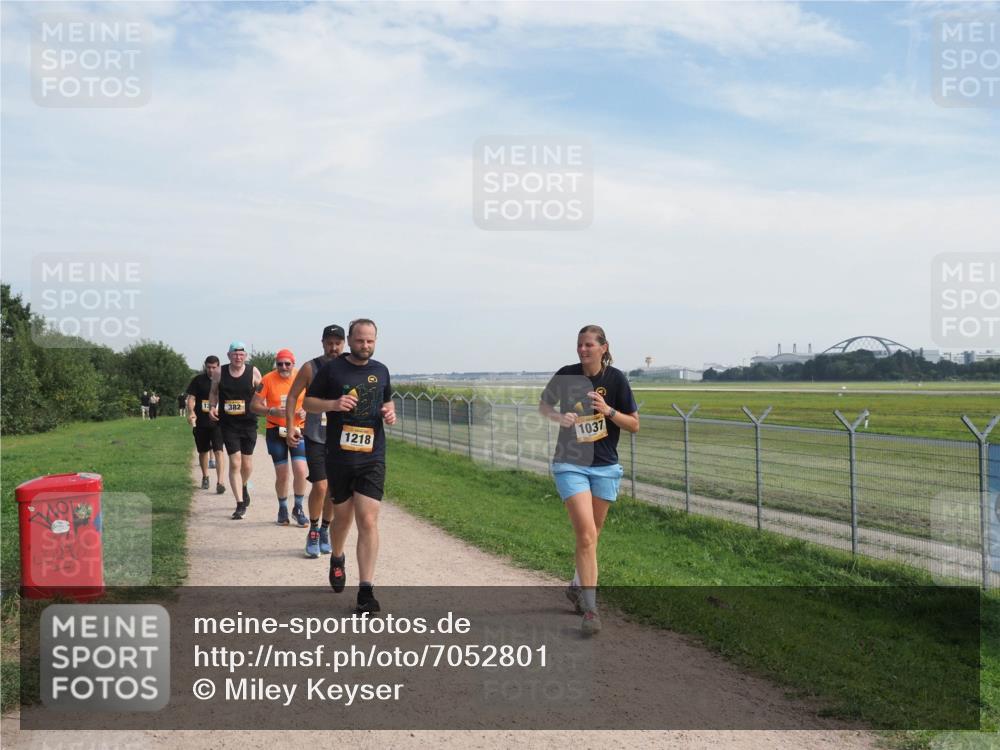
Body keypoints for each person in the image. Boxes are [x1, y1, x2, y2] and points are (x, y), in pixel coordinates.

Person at [538, 325, 639, 635]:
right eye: (579, 345)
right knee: (585, 534)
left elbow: (634, 424)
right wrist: (560, 417)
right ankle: (591, 610)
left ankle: (576, 585)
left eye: (589, 345)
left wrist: (609, 411)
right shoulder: (566, 374)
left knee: (593, 534)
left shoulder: (616, 379)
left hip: (605, 467)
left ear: (603, 348)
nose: (582, 350)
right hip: (571, 464)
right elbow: (544, 406)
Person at [304, 319, 396, 614]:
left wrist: (390, 413)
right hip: (340, 457)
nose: (365, 346)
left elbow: (387, 402)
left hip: (372, 456)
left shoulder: (381, 371)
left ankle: (366, 591)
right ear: (350, 340)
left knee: (367, 520)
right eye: (360, 340)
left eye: (370, 341)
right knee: (342, 518)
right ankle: (337, 557)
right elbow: (308, 403)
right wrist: (332, 404)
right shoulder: (332, 370)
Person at [286, 324, 347, 559]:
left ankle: (324, 530)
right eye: (329, 343)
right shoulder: (310, 367)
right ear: (322, 343)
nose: (334, 348)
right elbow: (293, 396)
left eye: (338, 343)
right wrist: (291, 426)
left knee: (333, 489)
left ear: (344, 344)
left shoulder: (350, 367)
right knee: (320, 485)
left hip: (341, 438)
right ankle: (313, 529)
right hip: (315, 436)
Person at [252, 348, 309, 527]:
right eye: (280, 364)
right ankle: (283, 508)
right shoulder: (267, 379)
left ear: (293, 363)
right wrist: (271, 410)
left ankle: (298, 507)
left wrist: (306, 410)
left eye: (287, 364)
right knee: (282, 474)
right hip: (276, 430)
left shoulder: (302, 377)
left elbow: (314, 400)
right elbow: (254, 406)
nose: (283, 367)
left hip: (298, 429)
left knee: (301, 470)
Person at [210, 342, 263, 519]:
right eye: (234, 354)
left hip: (248, 423)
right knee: (235, 462)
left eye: (241, 354)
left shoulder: (253, 372)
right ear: (229, 355)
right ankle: (240, 504)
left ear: (245, 356)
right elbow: (213, 392)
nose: (238, 357)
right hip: (228, 424)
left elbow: (263, 392)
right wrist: (212, 407)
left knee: (246, 464)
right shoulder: (220, 372)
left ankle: (244, 485)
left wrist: (263, 405)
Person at [186, 356, 227, 494]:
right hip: (202, 422)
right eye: (209, 367)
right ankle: (205, 476)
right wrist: (191, 412)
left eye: (214, 367)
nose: (211, 370)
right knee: (203, 451)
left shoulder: (223, 380)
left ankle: (220, 482)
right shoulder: (198, 380)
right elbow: (191, 398)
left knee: (219, 451)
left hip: (218, 422)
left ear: (218, 366)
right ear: (205, 366)